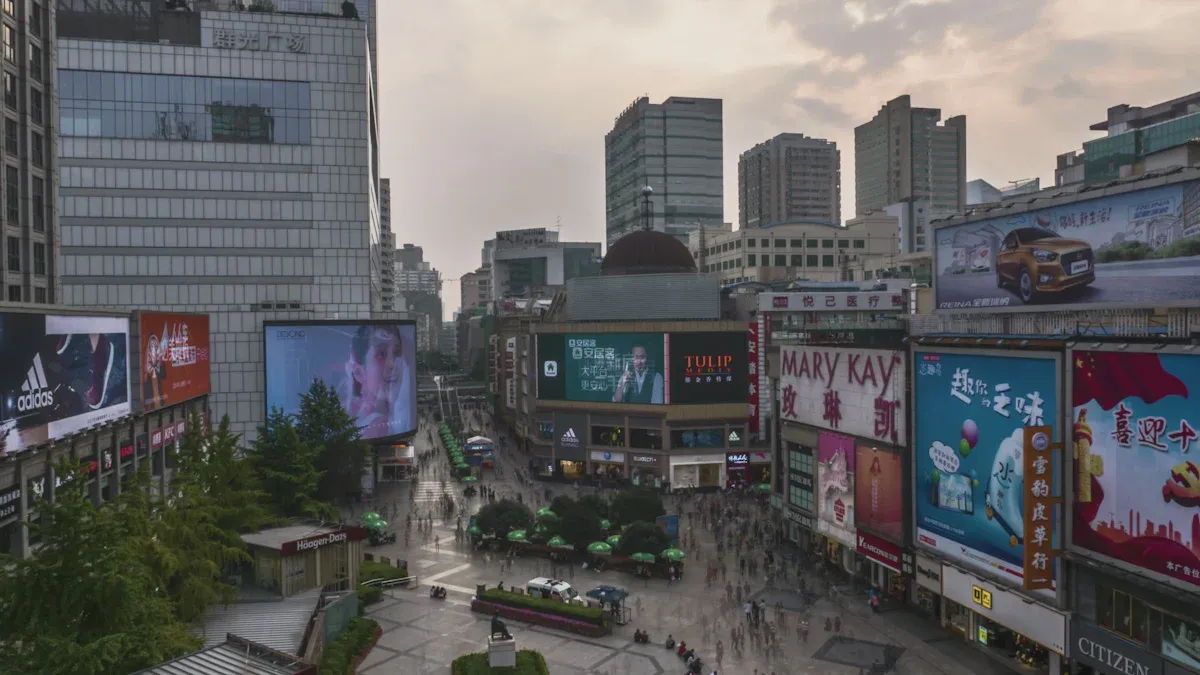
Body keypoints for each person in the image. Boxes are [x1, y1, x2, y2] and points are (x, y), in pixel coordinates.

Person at [339, 324, 414, 440]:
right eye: (381, 354)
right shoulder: (374, 425)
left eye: (396, 353)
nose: (392, 364)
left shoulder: (396, 417)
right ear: (358, 371)